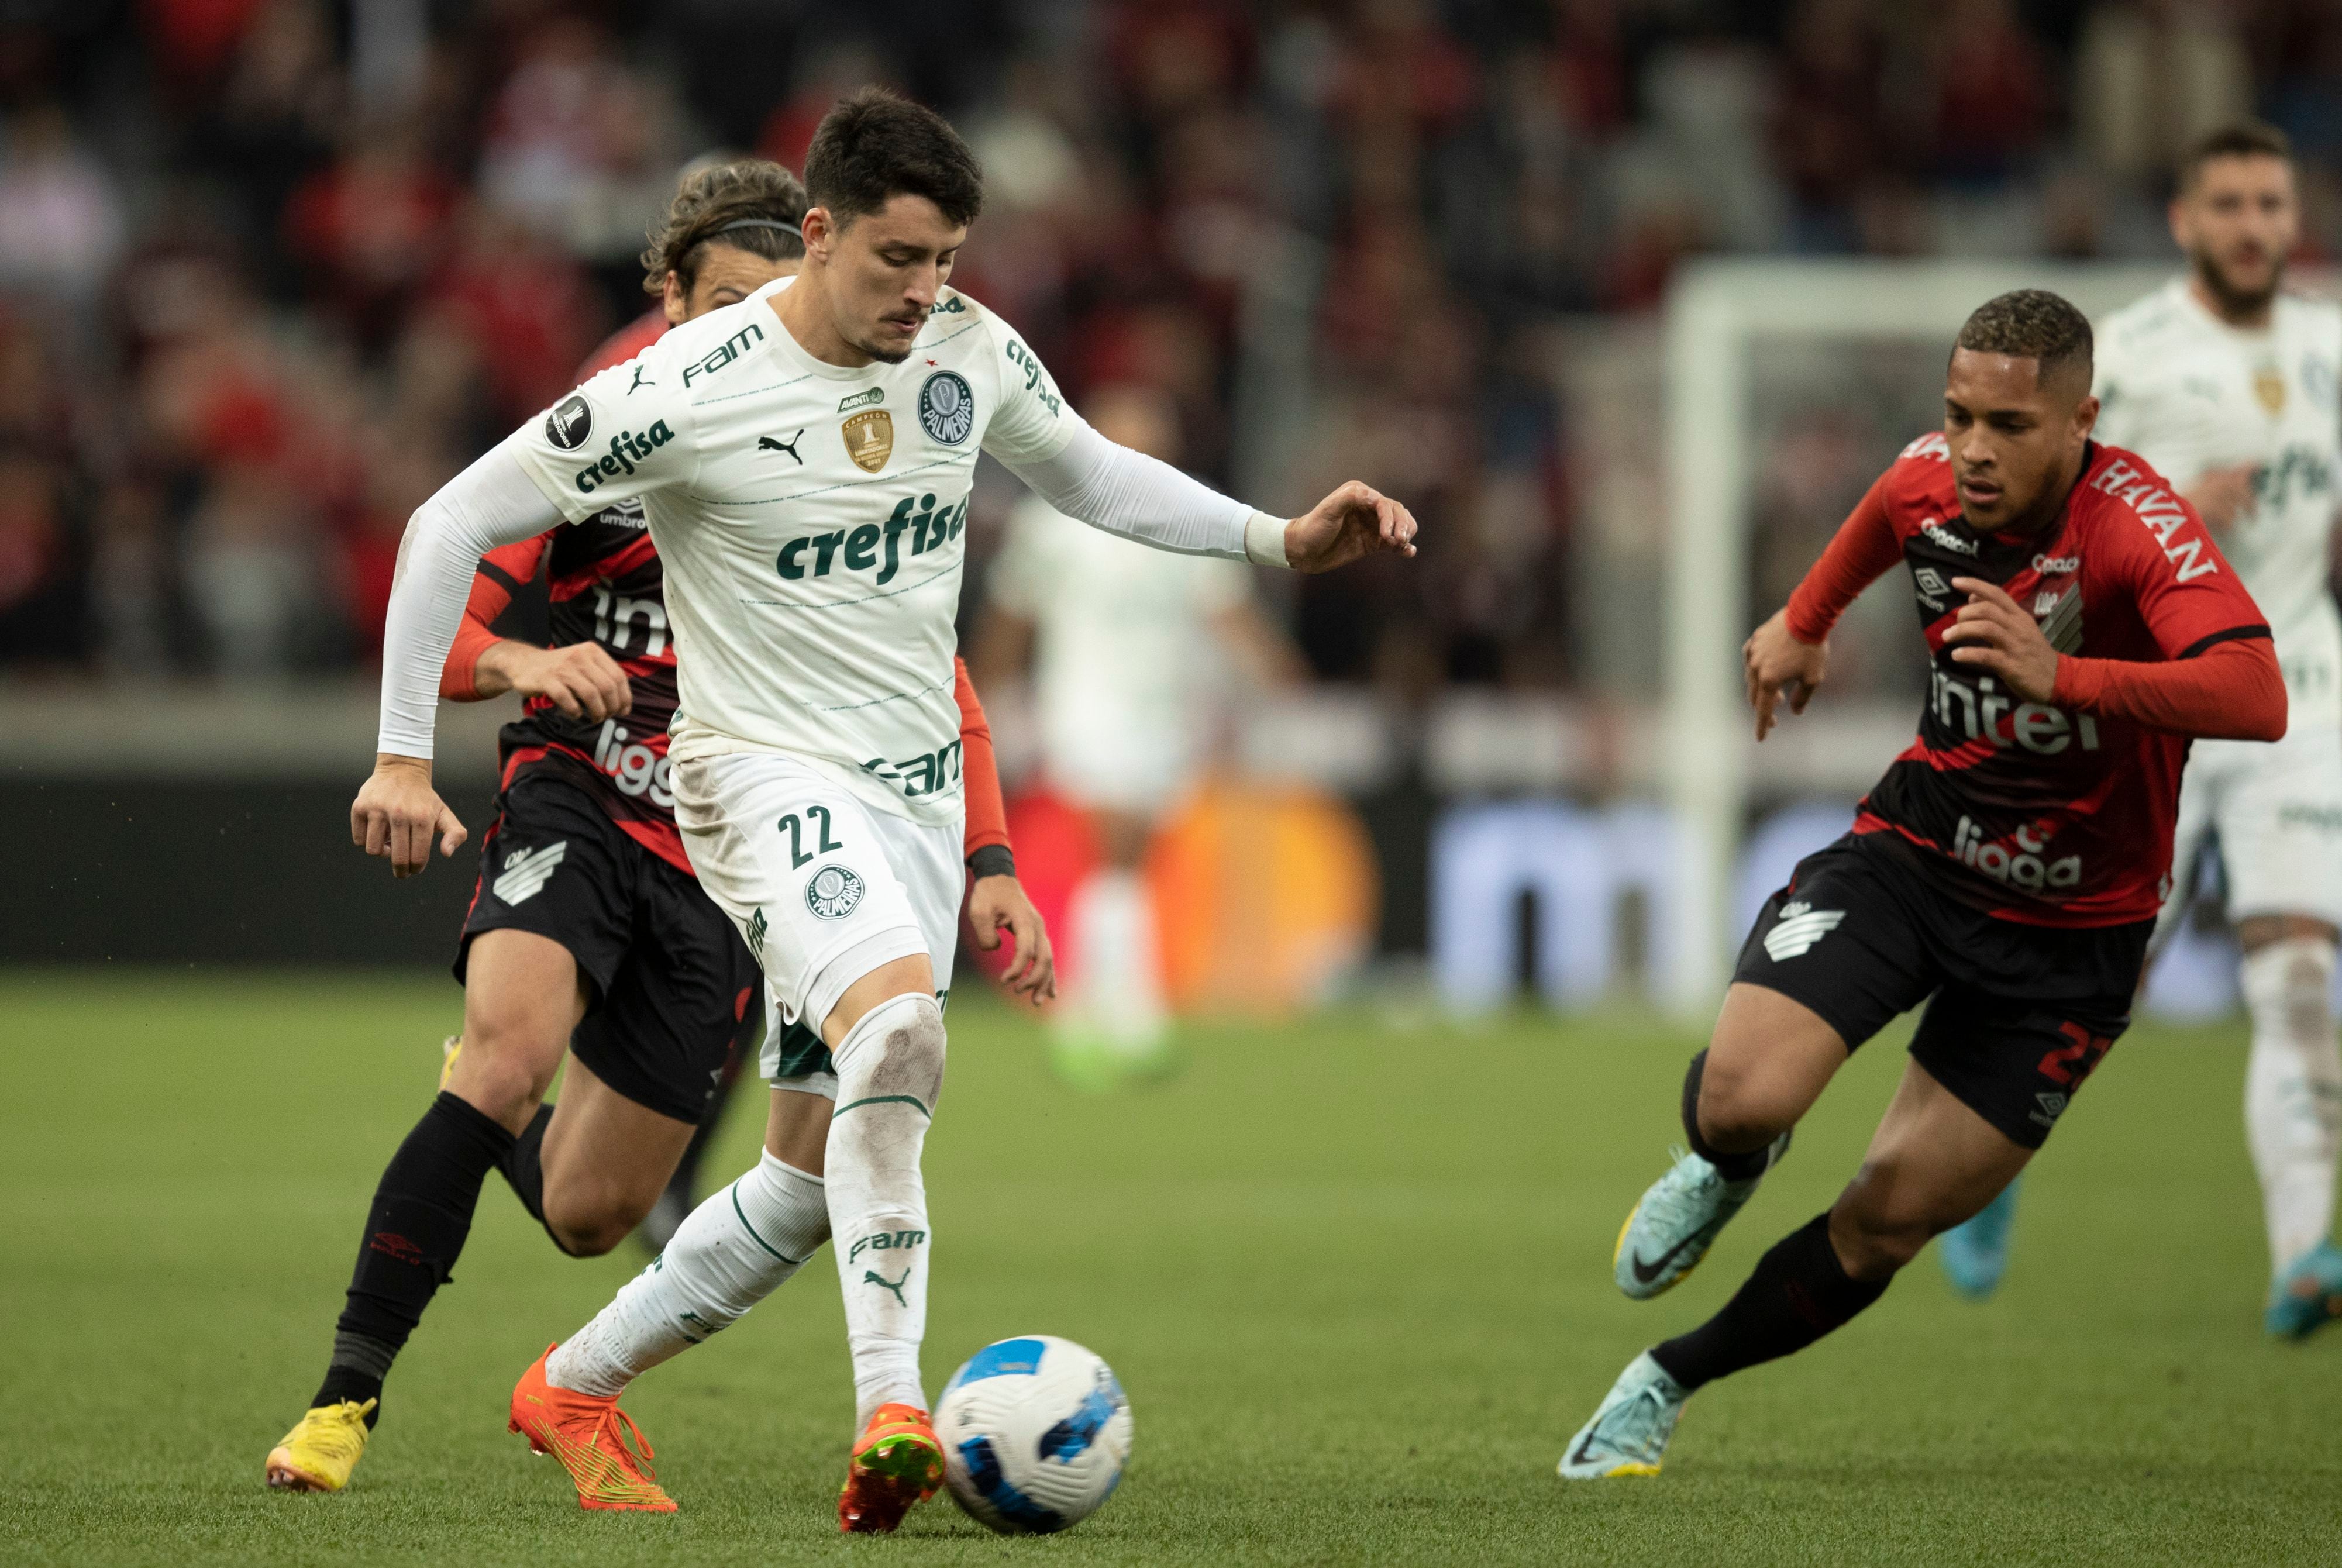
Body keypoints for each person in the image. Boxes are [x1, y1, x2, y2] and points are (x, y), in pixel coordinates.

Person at [347, 89, 1417, 1530]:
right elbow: (449, 523)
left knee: (809, 1175)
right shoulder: (690, 381)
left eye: (948, 261)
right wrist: (405, 757)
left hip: (907, 794)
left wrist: (1278, 539)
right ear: (819, 232)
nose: (927, 292)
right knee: (903, 1034)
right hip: (757, 778)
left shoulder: (968, 352)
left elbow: (1095, 474)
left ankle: (576, 1384)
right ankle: (893, 1415)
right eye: (898, 259)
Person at [263, 156, 1053, 1497]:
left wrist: (987, 857)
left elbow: (938, 680)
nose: (749, 326)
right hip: (578, 794)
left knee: (589, 1214)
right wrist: (517, 670)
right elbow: (445, 599)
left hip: (733, 864)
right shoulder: (608, 437)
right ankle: (343, 1403)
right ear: (668, 298)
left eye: (774, 300)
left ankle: (522, 1181)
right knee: (509, 1062)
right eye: (723, 300)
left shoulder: (817, 439)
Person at [1560, 289, 2284, 1480]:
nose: (1974, 450)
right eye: (1957, 417)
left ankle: (1666, 1376)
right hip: (1919, 854)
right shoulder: (1924, 481)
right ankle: (1727, 1166)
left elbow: (2258, 692)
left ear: (2079, 421)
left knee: (1884, 1217)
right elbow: (1879, 519)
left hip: (2070, 941)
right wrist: (1801, 621)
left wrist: (2068, 677)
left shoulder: (2134, 526)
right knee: (1741, 1095)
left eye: (2006, 424)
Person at [1936, 123, 2342, 1335]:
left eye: (2270, 202)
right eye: (2226, 203)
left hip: (2295, 686)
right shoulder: (2135, 350)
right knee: (2090, 990)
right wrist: (2172, 489)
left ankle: (2302, 1248)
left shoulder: (2330, 340)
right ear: (2182, 221)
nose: (2252, 225)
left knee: (2297, 969)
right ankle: (1979, 1170)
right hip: (2141, 699)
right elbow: (2058, 512)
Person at [973, 381, 1301, 1087]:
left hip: (1166, 710)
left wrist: (1274, 668)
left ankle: (1095, 1011)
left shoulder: (1186, 513)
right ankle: (1121, 1016)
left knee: (1131, 858)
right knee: (1114, 845)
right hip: (1083, 703)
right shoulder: (1054, 519)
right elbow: (1013, 611)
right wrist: (985, 691)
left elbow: (1225, 608)